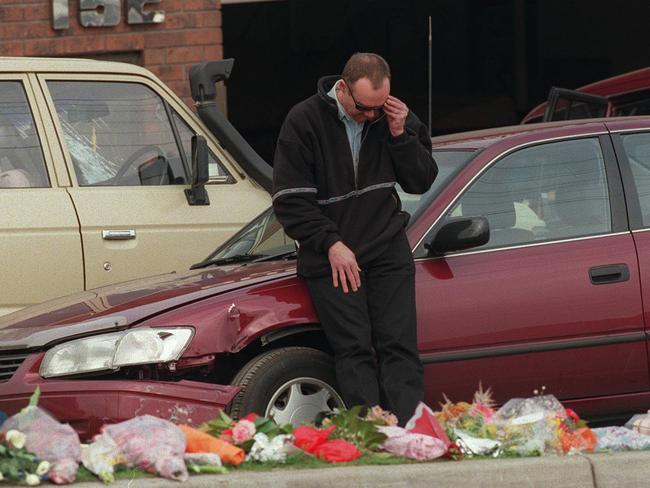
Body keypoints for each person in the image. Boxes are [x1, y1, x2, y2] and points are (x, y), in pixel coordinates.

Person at [272, 52, 438, 424]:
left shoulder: (393, 118)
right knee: (354, 350)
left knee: (400, 347)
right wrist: (331, 243)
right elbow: (289, 201)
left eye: (381, 107)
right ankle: (372, 432)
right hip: (332, 256)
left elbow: (421, 180)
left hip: (387, 248)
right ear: (342, 89)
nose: (373, 116)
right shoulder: (304, 121)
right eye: (365, 108)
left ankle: (411, 430)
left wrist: (400, 135)